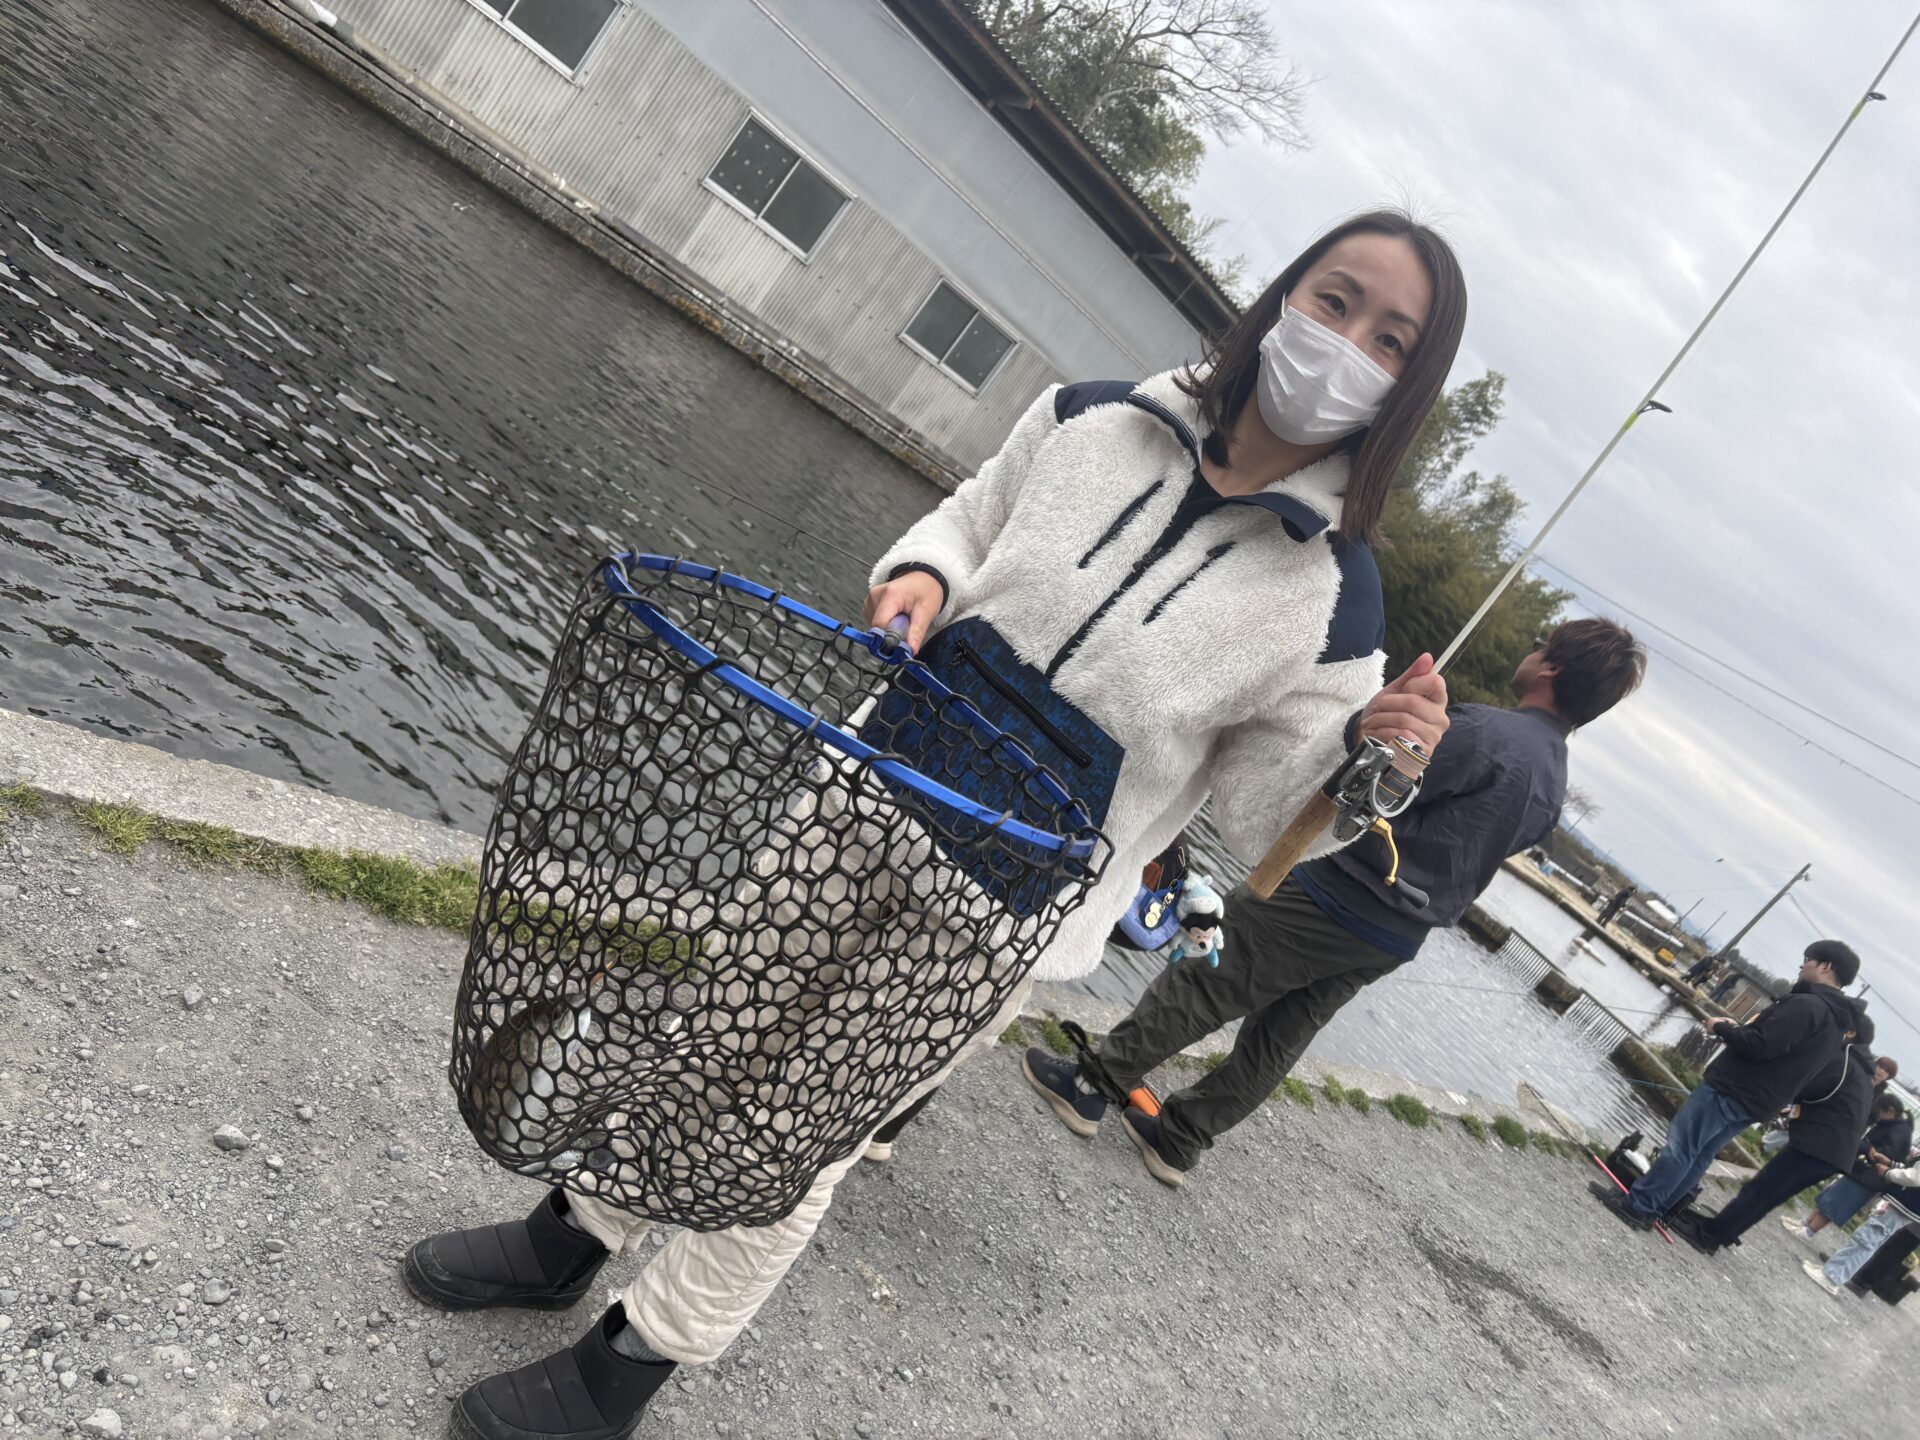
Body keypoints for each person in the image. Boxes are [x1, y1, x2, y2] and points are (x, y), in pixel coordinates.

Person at [402, 209, 1465, 1440]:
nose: (1345, 344)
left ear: (1405, 390)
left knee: (799, 1127)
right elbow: (968, 519)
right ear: (1284, 296)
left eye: (1390, 339)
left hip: (1000, 914)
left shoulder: (1337, 602)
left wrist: (1369, 764)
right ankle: (570, 1236)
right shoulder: (1093, 415)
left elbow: (1264, 816)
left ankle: (627, 1367)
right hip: (860, 790)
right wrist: (923, 574)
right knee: (704, 1021)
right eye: (1334, 300)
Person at [1022, 617, 1645, 1185]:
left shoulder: (1484, 733)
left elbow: (1378, 783)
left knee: (1207, 978)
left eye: (1540, 645)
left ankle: (1092, 1084)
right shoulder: (1553, 786)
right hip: (1396, 937)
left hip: (1337, 892)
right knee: (1279, 1038)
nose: (1531, 650)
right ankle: (1179, 1139)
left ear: (1551, 668)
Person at [1592, 941, 1861, 1230]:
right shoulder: (1837, 1024)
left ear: (1825, 966)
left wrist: (1721, 1028)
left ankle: (1638, 1206)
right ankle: (1655, 1209)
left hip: (1733, 1089)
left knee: (1682, 1147)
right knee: (1700, 1154)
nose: (1801, 964)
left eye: (1807, 958)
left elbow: (1760, 1045)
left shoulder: (1808, 1005)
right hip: (1759, 1101)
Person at [1668, 1007, 1874, 1254]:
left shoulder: (1844, 1061)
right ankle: (1721, 1231)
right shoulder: (1862, 1072)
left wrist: (1777, 1093)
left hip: (1817, 1147)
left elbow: (1805, 1085)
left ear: (1851, 1033)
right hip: (1831, 1152)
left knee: (1761, 1190)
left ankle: (1709, 1236)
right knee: (1769, 1195)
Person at [1786, 1088, 1914, 1238]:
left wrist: (1865, 1146)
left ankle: (1809, 1231)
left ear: (1891, 1111)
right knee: (1829, 1197)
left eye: (1880, 1113)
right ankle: (1806, 1223)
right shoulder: (1893, 1125)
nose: (1878, 1116)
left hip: (1869, 1177)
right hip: (1860, 1170)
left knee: (1836, 1203)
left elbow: (1886, 1154)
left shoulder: (1900, 1130)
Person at [1805, 1152, 1920, 1298]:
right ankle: (1831, 1271)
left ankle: (1832, 1277)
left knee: (1866, 1240)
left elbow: (1915, 1177)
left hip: (1903, 1204)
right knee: (1867, 1239)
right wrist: (1893, 1165)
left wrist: (1888, 1173)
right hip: (1904, 1204)